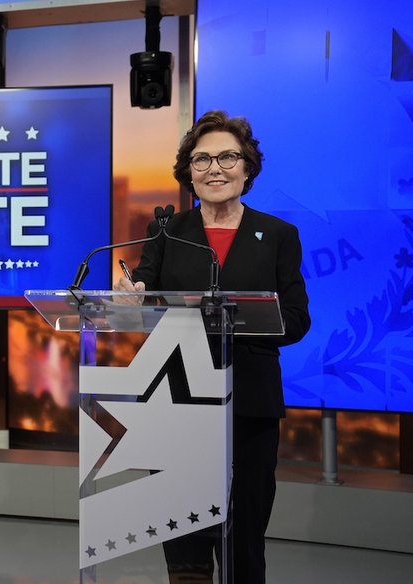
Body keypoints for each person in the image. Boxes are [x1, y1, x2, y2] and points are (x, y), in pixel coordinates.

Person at [115, 110, 310, 583]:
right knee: (181, 520)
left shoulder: (278, 235)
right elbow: (144, 291)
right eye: (202, 160)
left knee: (245, 523)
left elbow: (297, 319)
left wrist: (237, 322)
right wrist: (133, 293)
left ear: (247, 167)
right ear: (188, 172)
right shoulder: (168, 230)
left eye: (227, 157)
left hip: (251, 396)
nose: (215, 169)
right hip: (178, 388)